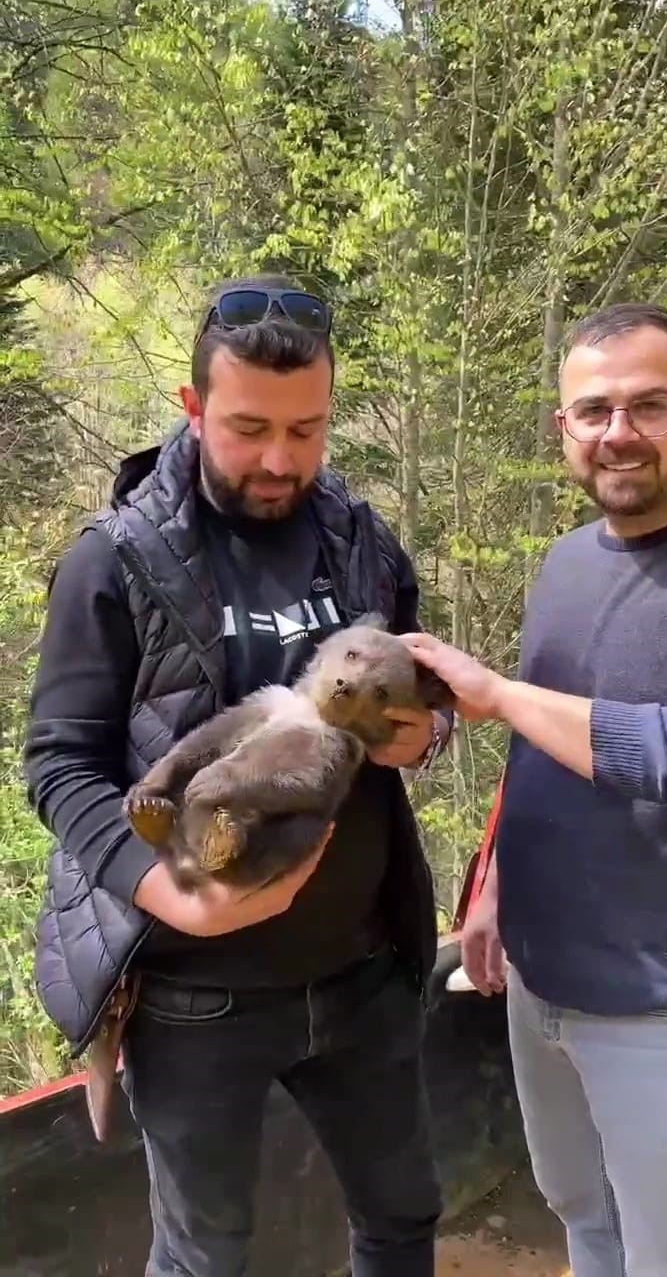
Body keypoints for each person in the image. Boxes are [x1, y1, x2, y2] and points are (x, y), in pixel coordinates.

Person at [26, 275, 453, 1277]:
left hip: (364, 970)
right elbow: (57, 761)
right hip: (193, 994)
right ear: (192, 406)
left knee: (403, 1218)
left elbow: (426, 701)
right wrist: (162, 885)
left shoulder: (363, 541)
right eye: (249, 427)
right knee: (206, 1251)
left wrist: (420, 740)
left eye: (307, 431)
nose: (279, 458)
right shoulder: (116, 560)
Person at [399, 302, 667, 1277]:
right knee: (584, 1216)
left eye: (649, 405)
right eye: (594, 409)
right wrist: (495, 883)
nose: (618, 431)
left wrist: (494, 692)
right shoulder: (568, 562)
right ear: (563, 429)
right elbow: (545, 750)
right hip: (540, 985)